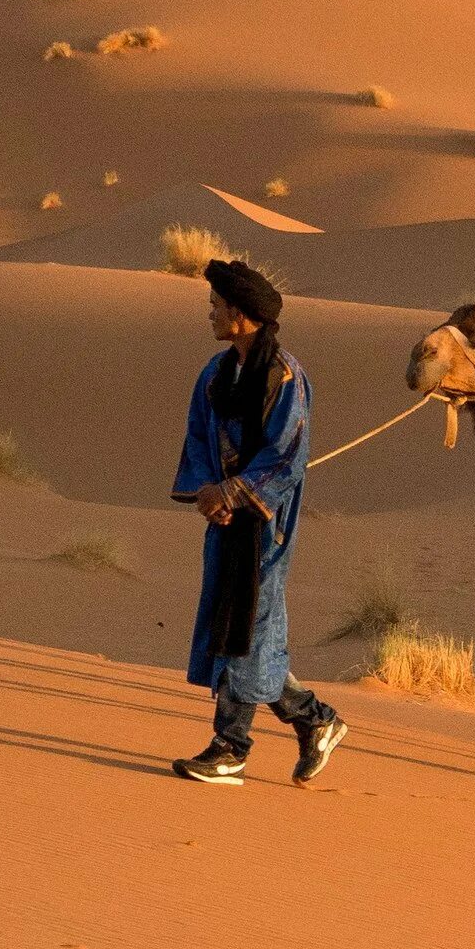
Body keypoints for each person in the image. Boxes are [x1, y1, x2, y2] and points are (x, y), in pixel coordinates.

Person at [169, 259, 346, 786]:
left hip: (268, 524)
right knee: (244, 623)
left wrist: (235, 491)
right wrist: (207, 490)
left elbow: (286, 456)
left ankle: (232, 747)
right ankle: (315, 719)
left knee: (245, 625)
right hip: (225, 522)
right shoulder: (215, 373)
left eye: (216, 307)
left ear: (242, 316)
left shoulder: (284, 376)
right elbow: (198, 436)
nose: (210, 314)